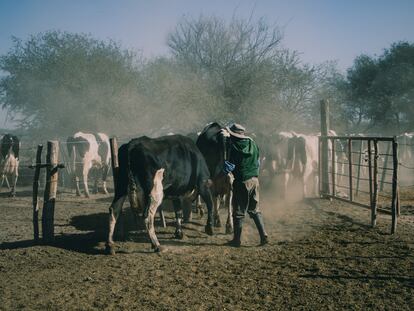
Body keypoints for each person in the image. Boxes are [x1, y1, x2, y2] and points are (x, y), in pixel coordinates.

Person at [224, 123, 268, 247]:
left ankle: (236, 240)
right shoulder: (253, 144)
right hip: (255, 180)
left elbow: (229, 166)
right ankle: (263, 235)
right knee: (254, 210)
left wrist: (224, 171)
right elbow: (258, 160)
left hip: (242, 181)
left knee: (238, 211)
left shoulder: (233, 147)